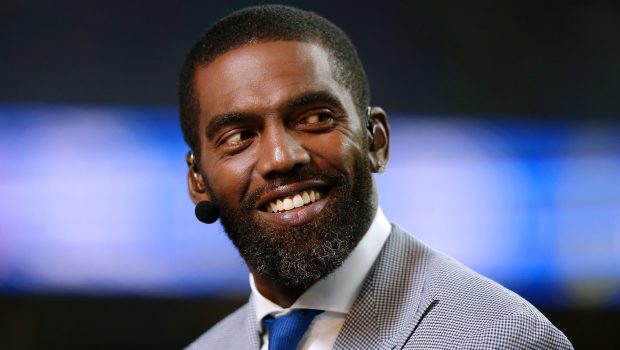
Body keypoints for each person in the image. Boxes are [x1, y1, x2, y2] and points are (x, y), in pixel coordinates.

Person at [179, 5, 573, 349]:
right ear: (198, 181)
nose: (281, 157)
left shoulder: (503, 338)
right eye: (239, 137)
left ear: (375, 141)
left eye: (315, 118)